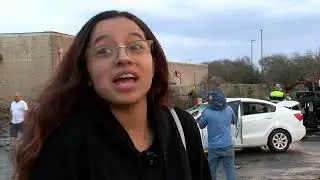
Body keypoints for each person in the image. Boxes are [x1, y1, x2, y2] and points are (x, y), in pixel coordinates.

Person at [12, 10, 210, 180]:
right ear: (86, 71)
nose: (123, 58)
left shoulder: (182, 127)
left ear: (154, 64)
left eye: (136, 46)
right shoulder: (63, 145)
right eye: (104, 50)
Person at [198, 89, 236, 180]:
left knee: (212, 169)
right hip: (227, 145)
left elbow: (201, 125)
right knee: (229, 168)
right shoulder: (229, 109)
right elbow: (234, 121)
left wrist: (203, 113)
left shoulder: (207, 112)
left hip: (213, 147)